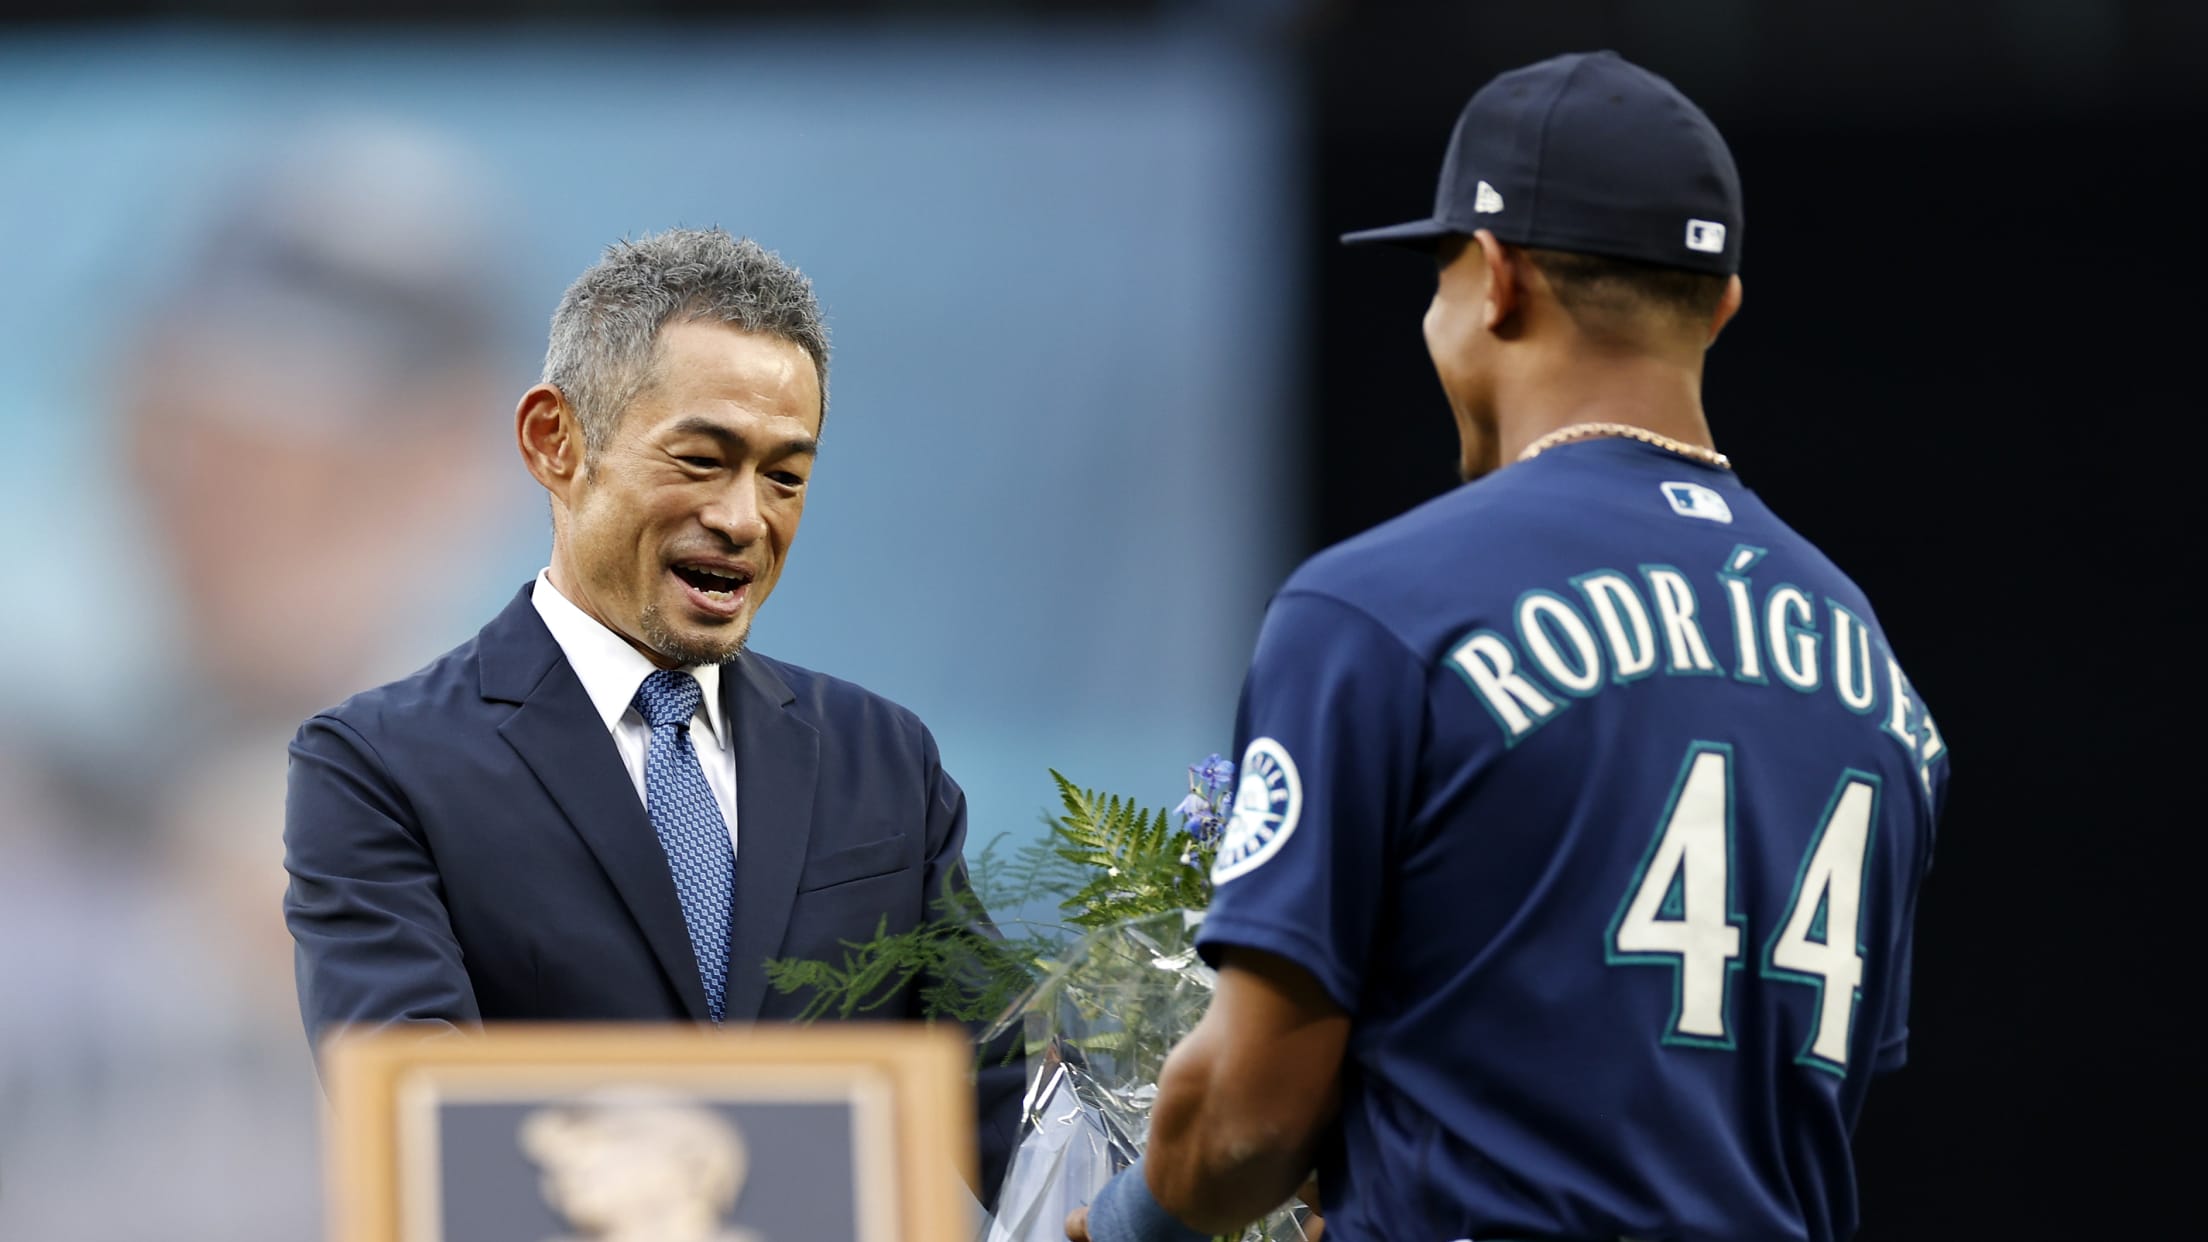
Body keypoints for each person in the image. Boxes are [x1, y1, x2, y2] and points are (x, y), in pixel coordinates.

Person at [1072, 51, 1946, 1242]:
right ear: (1723, 303)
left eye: (1435, 281)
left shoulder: (1381, 606)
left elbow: (1246, 1123)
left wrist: (1126, 1225)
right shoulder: (1865, 661)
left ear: (1495, 279)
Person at [282, 227, 1022, 1204]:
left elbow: (1013, 1105)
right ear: (556, 441)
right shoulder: (379, 768)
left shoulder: (883, 759)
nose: (746, 518)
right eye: (703, 459)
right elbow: (431, 1124)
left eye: (786, 475)